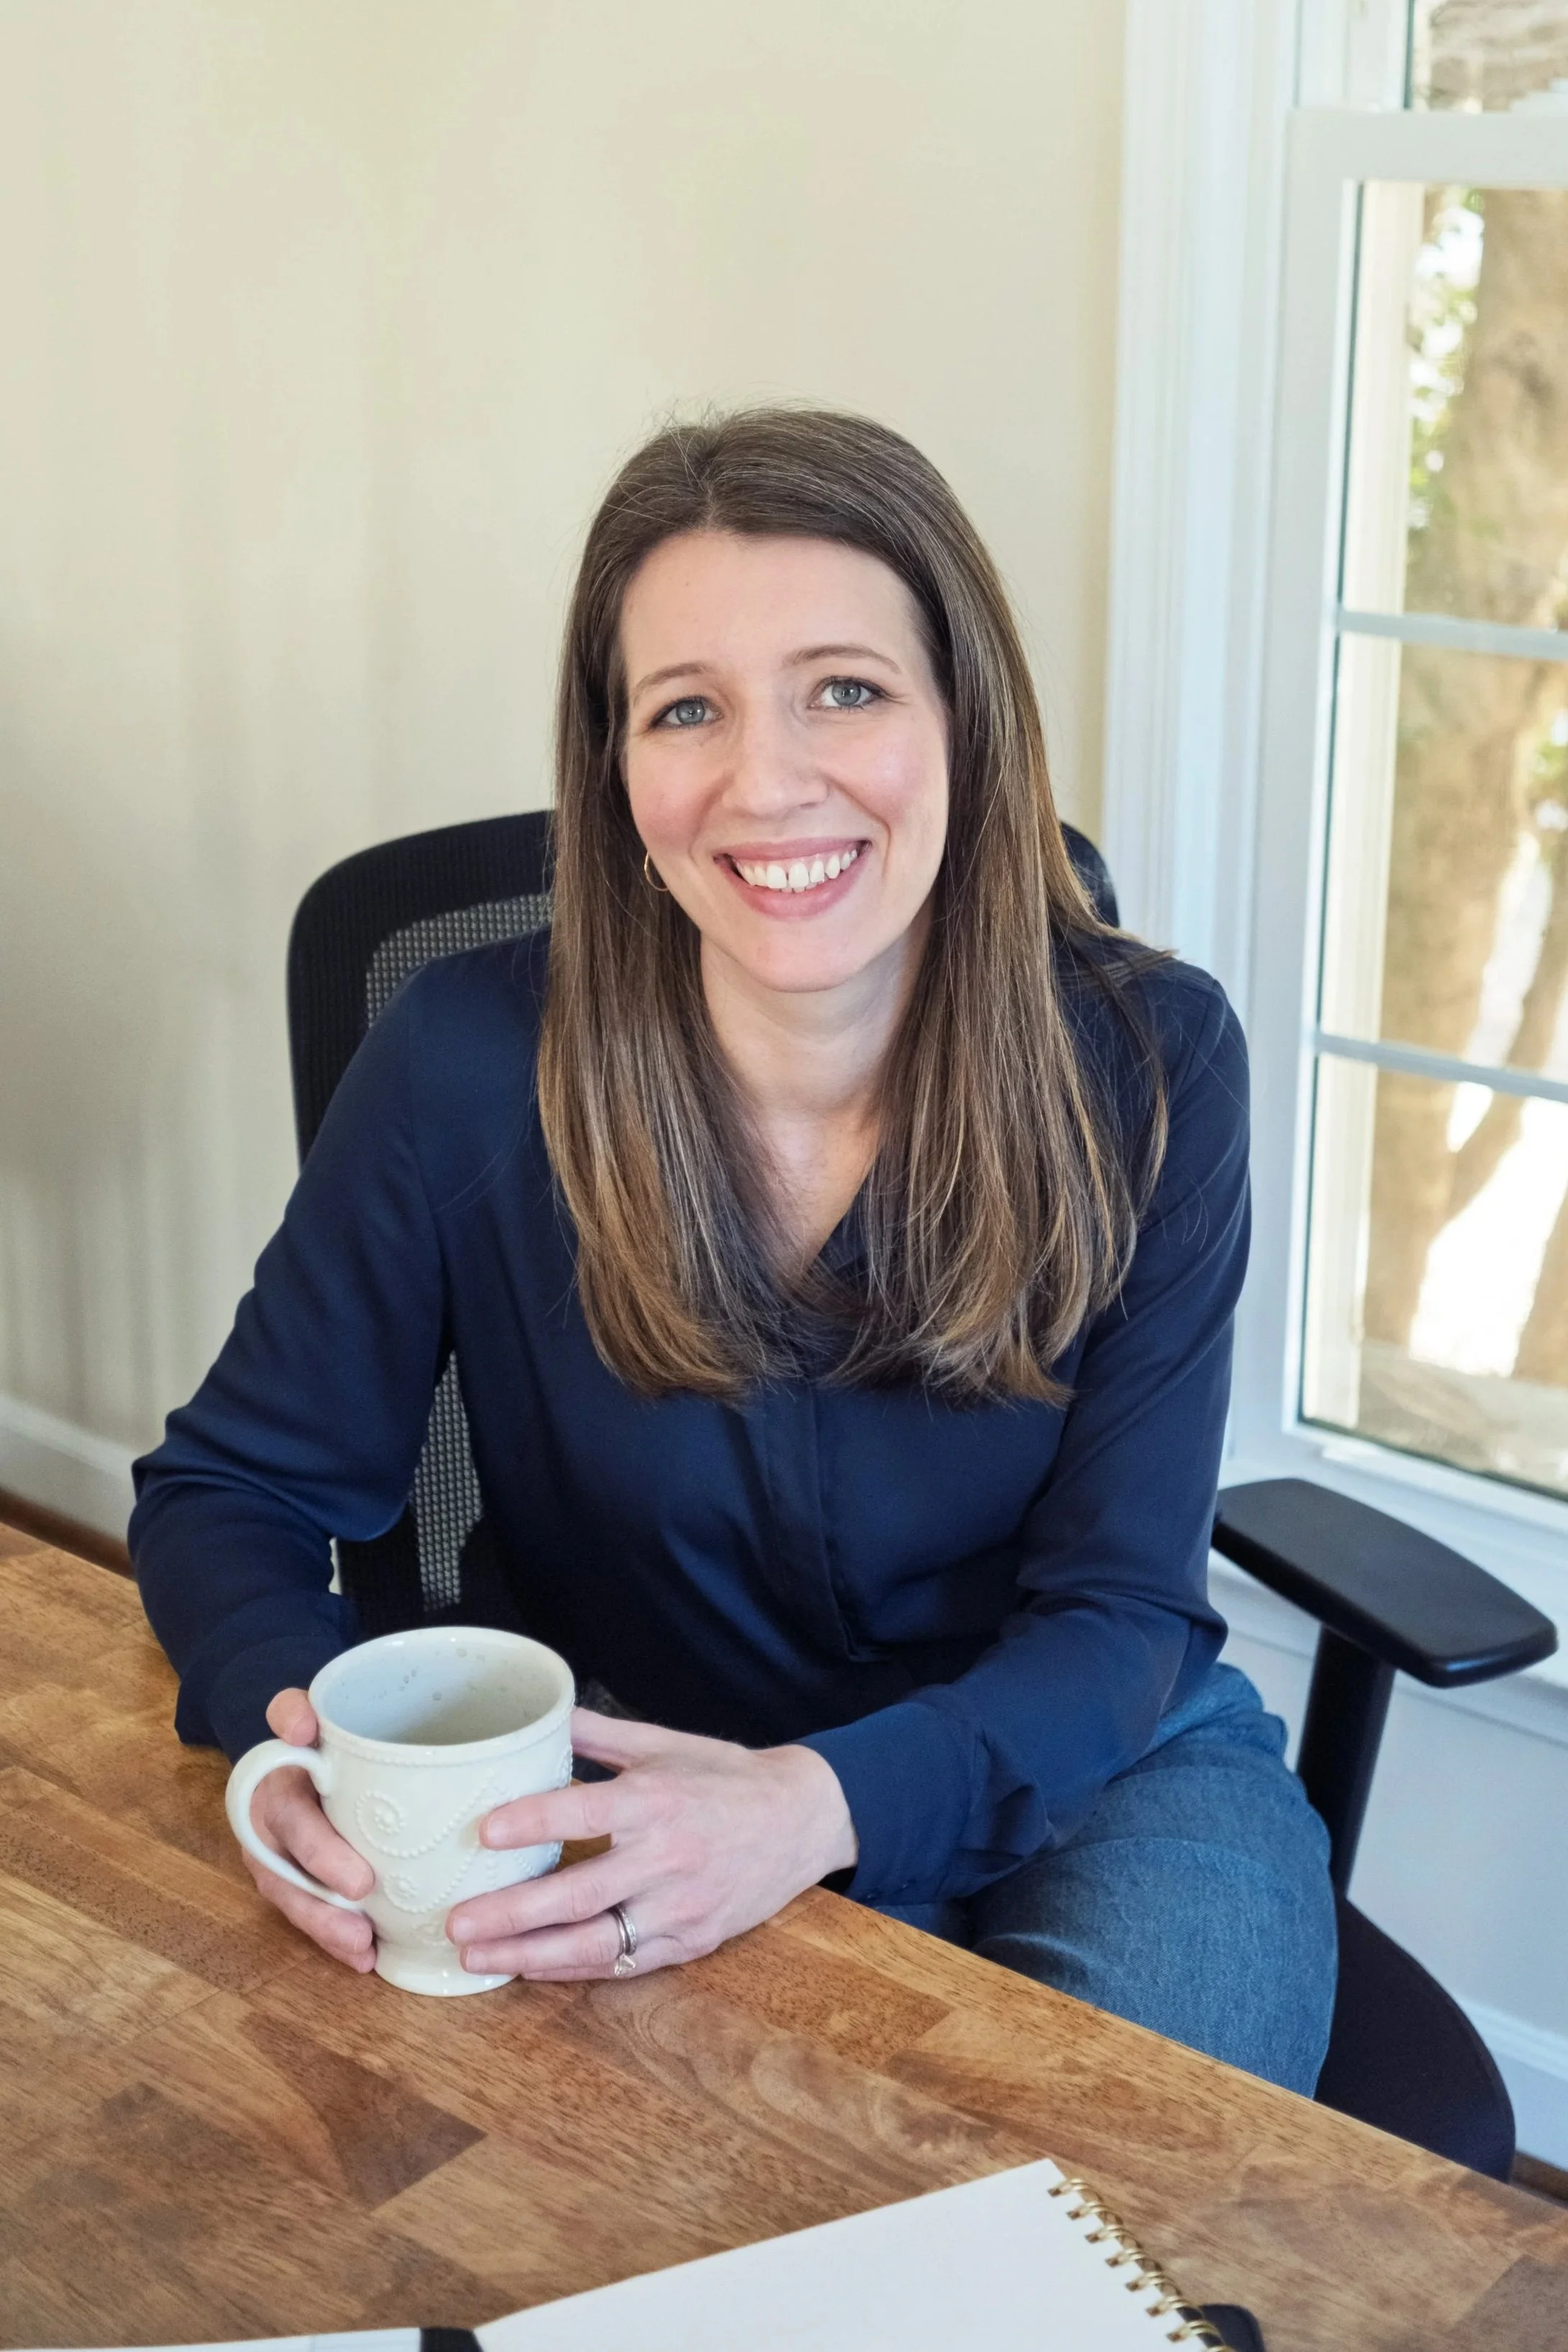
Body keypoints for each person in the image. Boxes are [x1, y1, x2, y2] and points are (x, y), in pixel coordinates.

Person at [131, 406, 1336, 2092]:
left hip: (1090, 1763)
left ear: (964, 722)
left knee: (1137, 2196)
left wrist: (814, 1808)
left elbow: (1121, 1613)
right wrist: (300, 1744)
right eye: (687, 708)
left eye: (844, 688)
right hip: (633, 1784)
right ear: (617, 770)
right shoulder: (464, 1065)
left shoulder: (1149, 1065)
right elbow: (228, 1492)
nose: (766, 781)